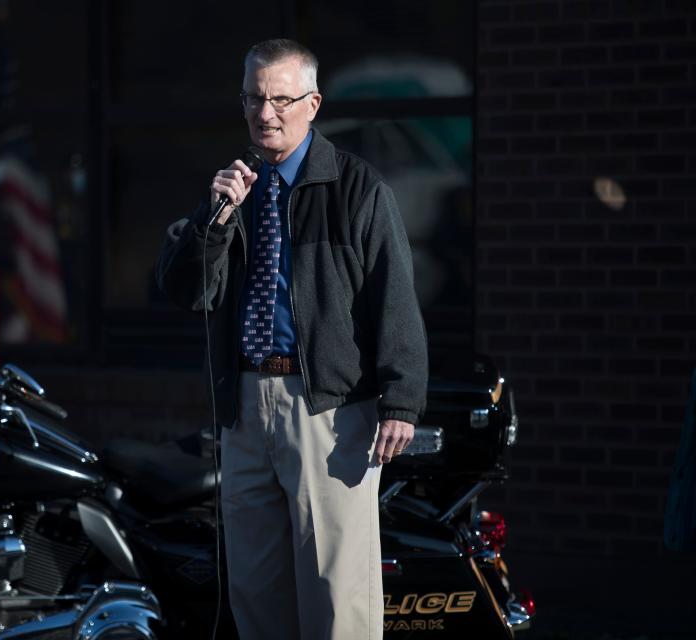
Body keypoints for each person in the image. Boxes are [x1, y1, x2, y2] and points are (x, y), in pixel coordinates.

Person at [156, 38, 428, 640]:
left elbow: (395, 296)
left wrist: (402, 400)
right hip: (245, 408)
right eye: (254, 98)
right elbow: (187, 292)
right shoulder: (235, 190)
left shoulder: (356, 188)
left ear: (314, 104)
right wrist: (214, 218)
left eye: (281, 99)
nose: (265, 113)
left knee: (336, 596)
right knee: (256, 593)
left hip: (327, 411)